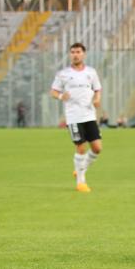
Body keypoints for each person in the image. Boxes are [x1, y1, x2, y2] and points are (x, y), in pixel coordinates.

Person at [50, 43, 102, 193]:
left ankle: (81, 168)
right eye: (72, 52)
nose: (75, 55)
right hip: (73, 117)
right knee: (80, 147)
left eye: (78, 52)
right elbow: (53, 91)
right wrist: (60, 95)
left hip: (89, 115)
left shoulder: (91, 72)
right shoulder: (63, 74)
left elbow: (97, 89)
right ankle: (81, 181)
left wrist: (97, 99)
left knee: (97, 148)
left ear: (84, 54)